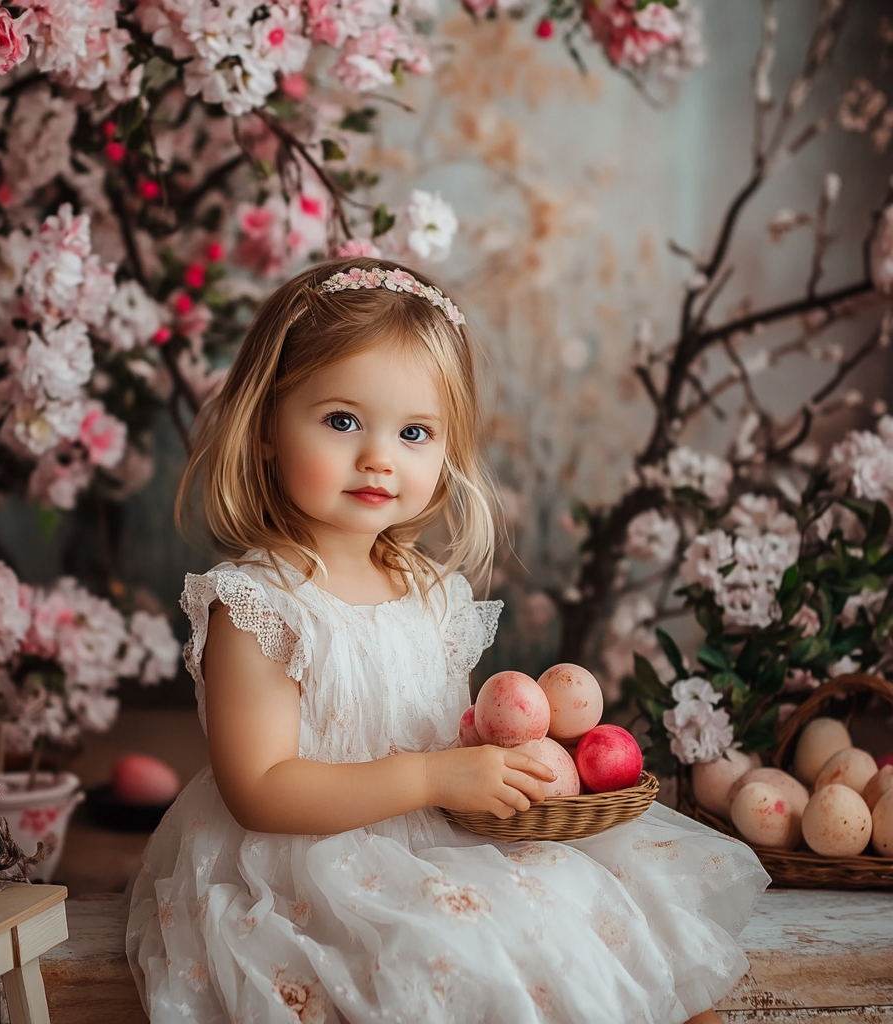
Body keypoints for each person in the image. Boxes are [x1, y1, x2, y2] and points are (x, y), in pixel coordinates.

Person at [126, 257, 770, 1024]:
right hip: (306, 864)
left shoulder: (434, 594)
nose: (379, 457)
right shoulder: (261, 605)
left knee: (609, 911)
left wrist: (514, 760)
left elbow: (453, 738)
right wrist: (435, 778)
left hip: (439, 837)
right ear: (266, 426)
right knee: (463, 944)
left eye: (415, 431)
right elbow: (261, 790)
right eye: (341, 421)